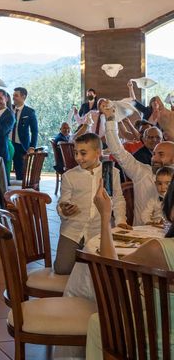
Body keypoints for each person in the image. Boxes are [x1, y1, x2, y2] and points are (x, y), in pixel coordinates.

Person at [86, 180, 174, 359]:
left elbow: (110, 271)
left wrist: (105, 215)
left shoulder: (159, 249)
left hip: (163, 349)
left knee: (99, 322)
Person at [54, 133, 128, 275]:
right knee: (62, 269)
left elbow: (118, 199)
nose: (78, 158)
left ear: (98, 153)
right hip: (73, 230)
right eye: (75, 153)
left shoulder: (111, 172)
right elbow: (63, 201)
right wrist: (64, 209)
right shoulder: (69, 176)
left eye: (83, 153)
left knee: (104, 271)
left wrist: (120, 221)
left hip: (99, 230)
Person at [100, 100, 174, 224]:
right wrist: (110, 119)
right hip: (141, 237)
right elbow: (117, 150)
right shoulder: (141, 171)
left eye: (160, 154)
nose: (154, 158)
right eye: (154, 154)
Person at [10, 87, 39, 181]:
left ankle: (21, 193)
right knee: (4, 170)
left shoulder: (29, 112)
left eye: (16, 95)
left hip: (20, 146)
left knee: (20, 173)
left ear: (23, 97)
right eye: (13, 95)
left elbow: (34, 131)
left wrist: (32, 146)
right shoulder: (9, 109)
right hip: (8, 144)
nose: (13, 97)